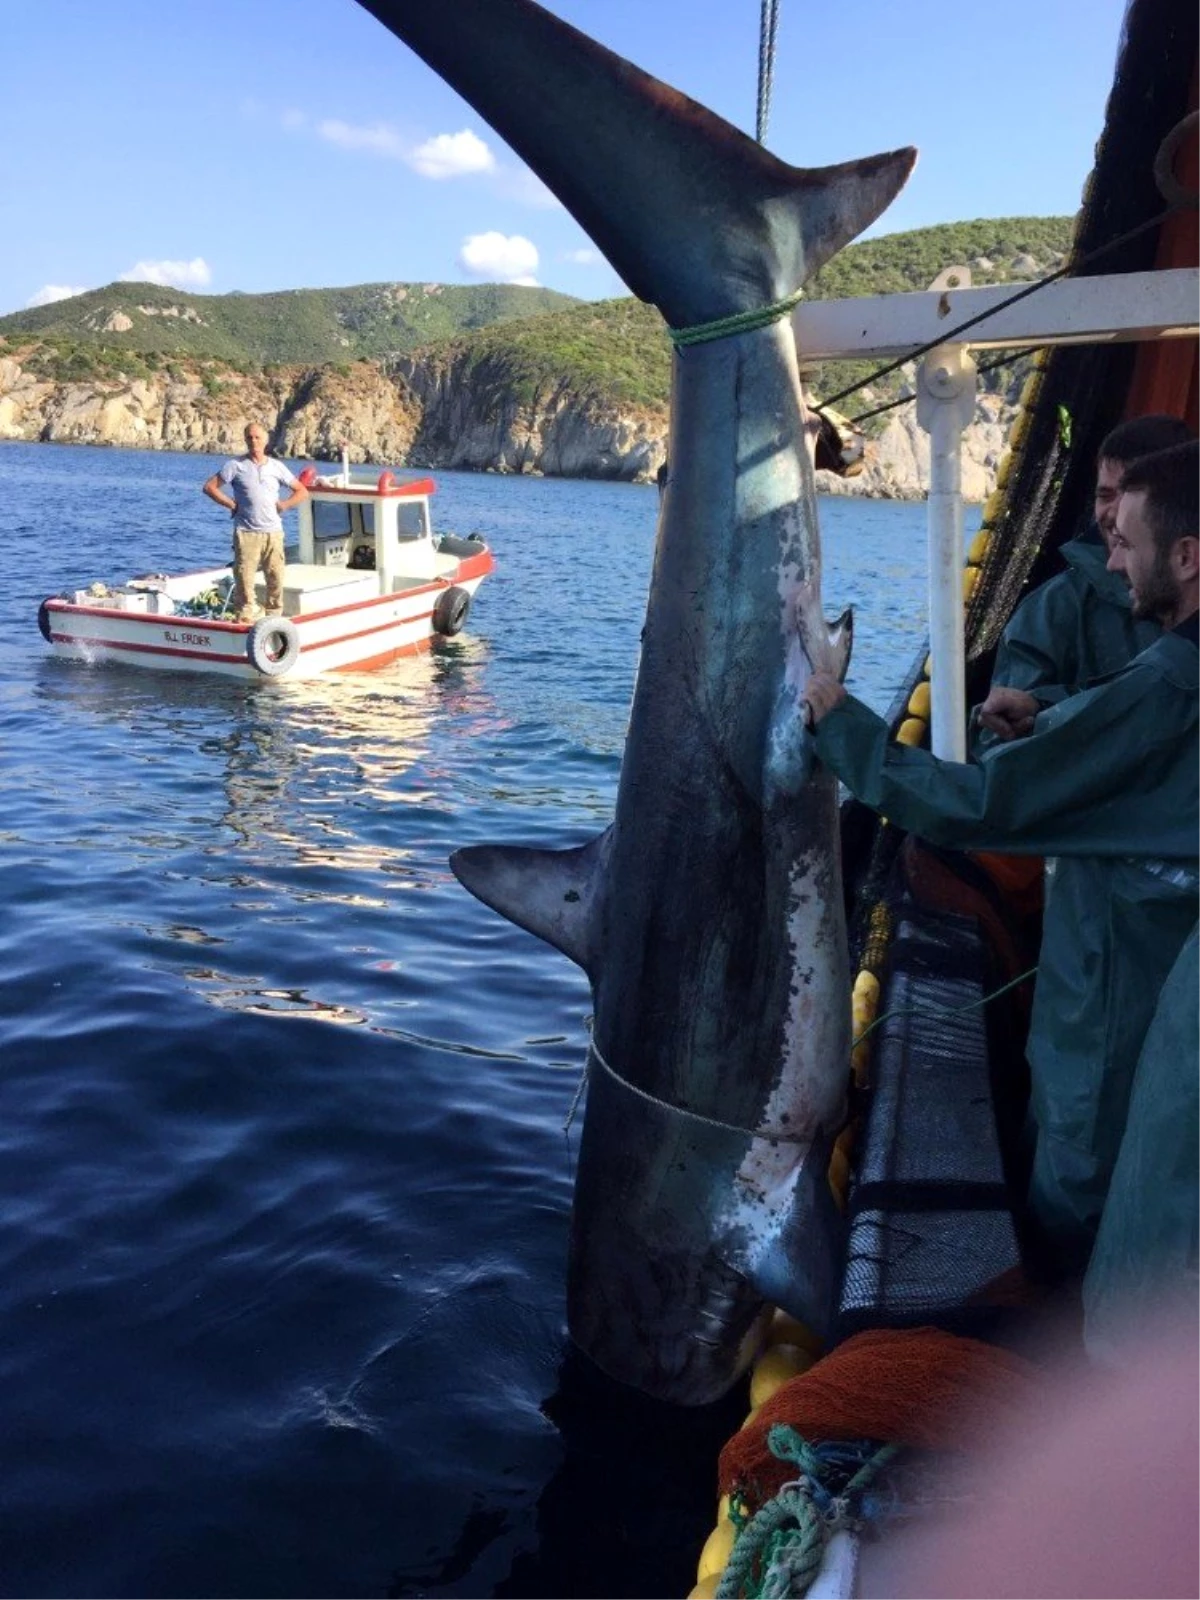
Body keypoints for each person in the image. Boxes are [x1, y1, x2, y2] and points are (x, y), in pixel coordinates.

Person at [803, 440, 1200, 1288]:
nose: (1112, 559)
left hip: (1114, 1020)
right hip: (1154, 1007)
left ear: (1187, 557)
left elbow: (980, 806)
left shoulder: (1171, 685)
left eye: (1127, 542)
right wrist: (1053, 716)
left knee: (1078, 1214)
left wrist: (840, 725)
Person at [977, 413, 1193, 746]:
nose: (1115, 513)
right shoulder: (1052, 610)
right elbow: (1000, 750)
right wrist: (1040, 711)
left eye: (1132, 494)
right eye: (1105, 495)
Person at [202, 423, 308, 623]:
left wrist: (285, 505)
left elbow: (302, 491)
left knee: (275, 577)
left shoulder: (277, 467)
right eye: (249, 438)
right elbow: (210, 487)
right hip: (246, 532)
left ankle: (274, 616)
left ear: (266, 440)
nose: (254, 441)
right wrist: (231, 504)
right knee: (244, 578)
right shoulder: (235, 465)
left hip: (273, 533)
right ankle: (245, 616)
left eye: (258, 437)